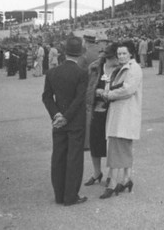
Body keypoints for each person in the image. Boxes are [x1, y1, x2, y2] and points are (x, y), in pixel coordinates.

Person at [42, 36, 88, 206]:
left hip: (58, 122)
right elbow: (79, 99)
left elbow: (46, 97)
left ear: (64, 52)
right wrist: (66, 117)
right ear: (80, 53)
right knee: (74, 159)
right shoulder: (82, 73)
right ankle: (71, 196)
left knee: (58, 158)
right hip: (74, 122)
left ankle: (59, 195)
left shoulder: (52, 72)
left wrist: (57, 115)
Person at [99, 44, 143, 199]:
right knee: (123, 148)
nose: (121, 56)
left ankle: (112, 183)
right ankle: (126, 179)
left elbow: (128, 90)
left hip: (124, 114)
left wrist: (108, 94)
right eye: (119, 54)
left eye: (124, 53)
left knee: (116, 149)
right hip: (123, 114)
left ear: (131, 54)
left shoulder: (133, 69)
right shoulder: (124, 68)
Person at [84, 43, 119, 188]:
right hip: (97, 108)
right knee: (95, 141)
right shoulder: (95, 67)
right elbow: (87, 87)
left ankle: (111, 174)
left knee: (112, 143)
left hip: (114, 109)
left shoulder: (121, 69)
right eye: (118, 56)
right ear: (111, 57)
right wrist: (97, 92)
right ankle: (97, 173)